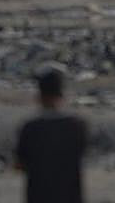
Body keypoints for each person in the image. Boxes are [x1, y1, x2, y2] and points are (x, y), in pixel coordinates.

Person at [15, 67, 88, 203]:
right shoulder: (76, 126)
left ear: (39, 97)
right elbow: (82, 154)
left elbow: (20, 165)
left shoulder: (30, 129)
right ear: (61, 96)